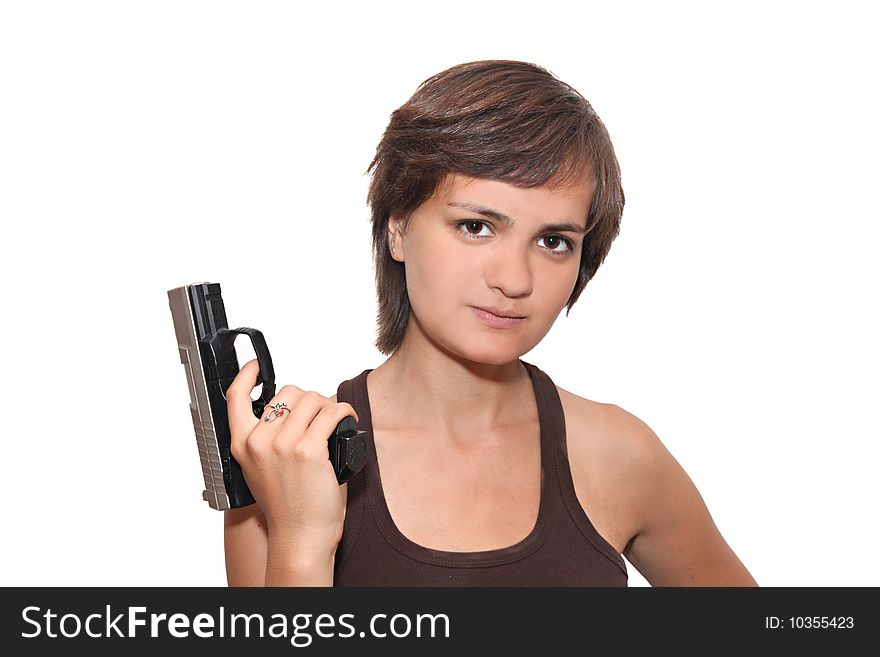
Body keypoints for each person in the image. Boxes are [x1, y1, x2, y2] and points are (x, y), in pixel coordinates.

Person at [223, 60, 758, 587]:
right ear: (398, 230)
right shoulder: (291, 462)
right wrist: (302, 537)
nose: (515, 279)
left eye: (554, 241)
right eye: (476, 226)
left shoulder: (619, 456)